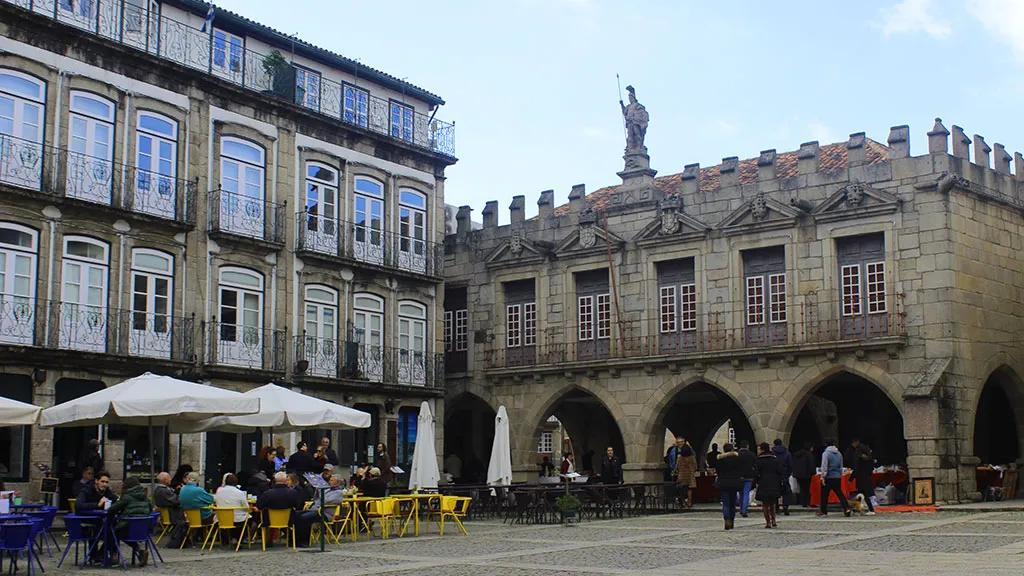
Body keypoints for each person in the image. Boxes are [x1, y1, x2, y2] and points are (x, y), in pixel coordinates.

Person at [108, 476, 152, 566]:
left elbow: (112, 509)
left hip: (128, 527)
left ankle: (113, 555)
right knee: (120, 533)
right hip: (143, 531)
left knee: (112, 532)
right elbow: (150, 510)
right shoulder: (145, 497)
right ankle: (140, 552)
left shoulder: (127, 497)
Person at [293, 474, 345, 547]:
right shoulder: (327, 489)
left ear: (338, 483)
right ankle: (294, 540)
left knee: (304, 518)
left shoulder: (339, 492)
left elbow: (325, 500)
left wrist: (321, 490)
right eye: (330, 480)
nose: (329, 481)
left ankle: (304, 541)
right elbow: (315, 499)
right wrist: (317, 489)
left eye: (332, 480)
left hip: (325, 514)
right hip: (314, 510)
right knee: (295, 514)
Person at [256, 472, 303, 546]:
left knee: (258, 516)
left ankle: (266, 540)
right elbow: (297, 505)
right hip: (288, 520)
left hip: (269, 521)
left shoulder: (267, 493)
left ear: (275, 480)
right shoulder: (293, 493)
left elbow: (259, 506)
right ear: (285, 481)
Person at [818, 439, 851, 517]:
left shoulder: (826, 453)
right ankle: (846, 508)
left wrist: (823, 476)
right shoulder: (839, 453)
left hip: (828, 477)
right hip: (837, 477)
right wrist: (839, 475)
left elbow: (824, 465)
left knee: (824, 495)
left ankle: (823, 511)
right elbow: (841, 466)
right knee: (840, 493)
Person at [755, 442, 783, 529]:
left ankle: (768, 522)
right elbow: (780, 471)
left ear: (762, 449)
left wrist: (757, 481)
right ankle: (774, 520)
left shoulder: (759, 460)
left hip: (763, 482)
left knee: (765, 504)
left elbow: (756, 473)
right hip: (774, 482)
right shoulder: (775, 459)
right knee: (772, 503)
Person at [714, 443, 742, 530]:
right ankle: (732, 520)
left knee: (725, 503)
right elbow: (740, 470)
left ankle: (727, 520)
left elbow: (717, 470)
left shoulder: (720, 459)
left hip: (724, 482)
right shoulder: (737, 458)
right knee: (732, 503)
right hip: (734, 482)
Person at [850, 439, 876, 514]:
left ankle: (871, 509)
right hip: (866, 475)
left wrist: (852, 477)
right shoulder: (867, 453)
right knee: (861, 493)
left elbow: (856, 467)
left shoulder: (859, 452)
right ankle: (857, 508)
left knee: (864, 493)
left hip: (861, 476)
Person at [772, 438, 794, 516]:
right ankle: (785, 506)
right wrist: (787, 474)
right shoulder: (787, 453)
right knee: (786, 491)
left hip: (774, 474)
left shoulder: (772, 453)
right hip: (784, 473)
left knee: (775, 491)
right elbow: (790, 465)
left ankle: (776, 507)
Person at [674, 438, 698, 510]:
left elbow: (677, 467)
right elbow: (695, 466)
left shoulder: (680, 458)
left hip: (682, 475)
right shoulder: (692, 457)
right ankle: (689, 502)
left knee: (681, 489)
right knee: (689, 489)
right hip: (690, 475)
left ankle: (684, 503)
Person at [791, 442, 815, 507]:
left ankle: (801, 502)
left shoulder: (797, 454)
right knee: (806, 489)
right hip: (806, 474)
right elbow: (811, 464)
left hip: (798, 474)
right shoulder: (809, 454)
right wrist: (813, 472)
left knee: (801, 488)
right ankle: (806, 502)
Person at [736, 441, 757, 518]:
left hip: (739, 477)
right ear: (747, 446)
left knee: (740, 493)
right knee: (746, 493)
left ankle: (741, 509)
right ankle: (744, 510)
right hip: (749, 476)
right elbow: (755, 466)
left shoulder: (737, 454)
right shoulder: (752, 455)